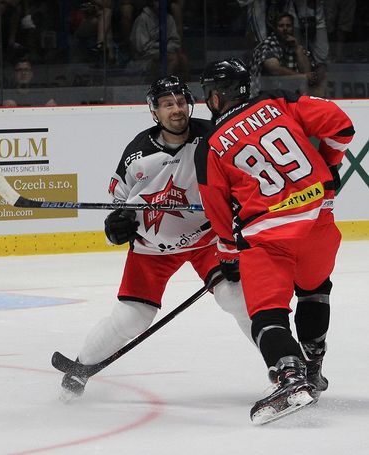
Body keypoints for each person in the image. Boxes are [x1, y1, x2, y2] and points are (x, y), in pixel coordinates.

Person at [59, 76, 252, 402]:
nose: (176, 110)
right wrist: (114, 230)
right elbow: (116, 208)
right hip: (153, 248)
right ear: (154, 112)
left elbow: (241, 179)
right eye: (167, 104)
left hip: (206, 240)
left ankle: (285, 368)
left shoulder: (212, 135)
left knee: (237, 298)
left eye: (180, 102)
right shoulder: (137, 155)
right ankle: (78, 371)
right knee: (133, 317)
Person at [196, 59, 354, 424]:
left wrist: (228, 251)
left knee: (266, 315)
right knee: (315, 289)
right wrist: (329, 164)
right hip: (318, 224)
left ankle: (290, 377)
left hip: (267, 237)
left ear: (217, 96)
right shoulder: (278, 102)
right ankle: (313, 365)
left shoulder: (211, 145)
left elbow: (216, 206)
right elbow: (342, 126)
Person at [250, 11, 325, 97]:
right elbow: (274, 69)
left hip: (286, 94)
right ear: (275, 28)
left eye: (288, 26)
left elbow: (306, 72)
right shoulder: (268, 44)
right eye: (281, 26)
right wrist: (302, 76)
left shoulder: (293, 44)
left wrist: (298, 49)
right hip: (263, 95)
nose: (285, 29)